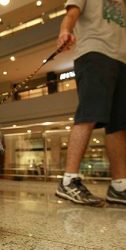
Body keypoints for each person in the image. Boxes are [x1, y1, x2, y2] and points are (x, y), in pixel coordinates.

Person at [55, 0, 126, 206]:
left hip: (122, 59)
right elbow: (70, 14)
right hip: (94, 52)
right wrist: (65, 31)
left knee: (119, 123)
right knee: (90, 113)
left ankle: (119, 185)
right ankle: (69, 180)